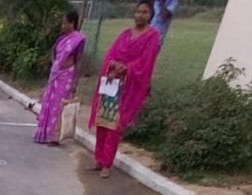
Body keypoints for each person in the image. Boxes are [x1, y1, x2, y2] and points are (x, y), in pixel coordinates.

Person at [87, 1, 159, 177]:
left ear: (150, 15)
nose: (140, 15)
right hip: (110, 84)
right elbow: (110, 54)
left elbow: (146, 62)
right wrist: (113, 66)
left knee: (115, 126)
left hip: (127, 88)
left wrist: (126, 68)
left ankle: (106, 164)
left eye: (145, 12)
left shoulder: (152, 36)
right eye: (138, 11)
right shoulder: (125, 34)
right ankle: (98, 159)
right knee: (103, 121)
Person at [33, 10, 84, 145]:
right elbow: (53, 52)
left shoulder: (78, 40)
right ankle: (43, 134)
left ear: (72, 24)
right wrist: (56, 65)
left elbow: (78, 62)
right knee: (48, 104)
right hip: (55, 75)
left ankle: (54, 137)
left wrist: (74, 83)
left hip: (66, 76)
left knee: (58, 106)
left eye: (64, 23)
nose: (62, 26)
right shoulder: (61, 39)